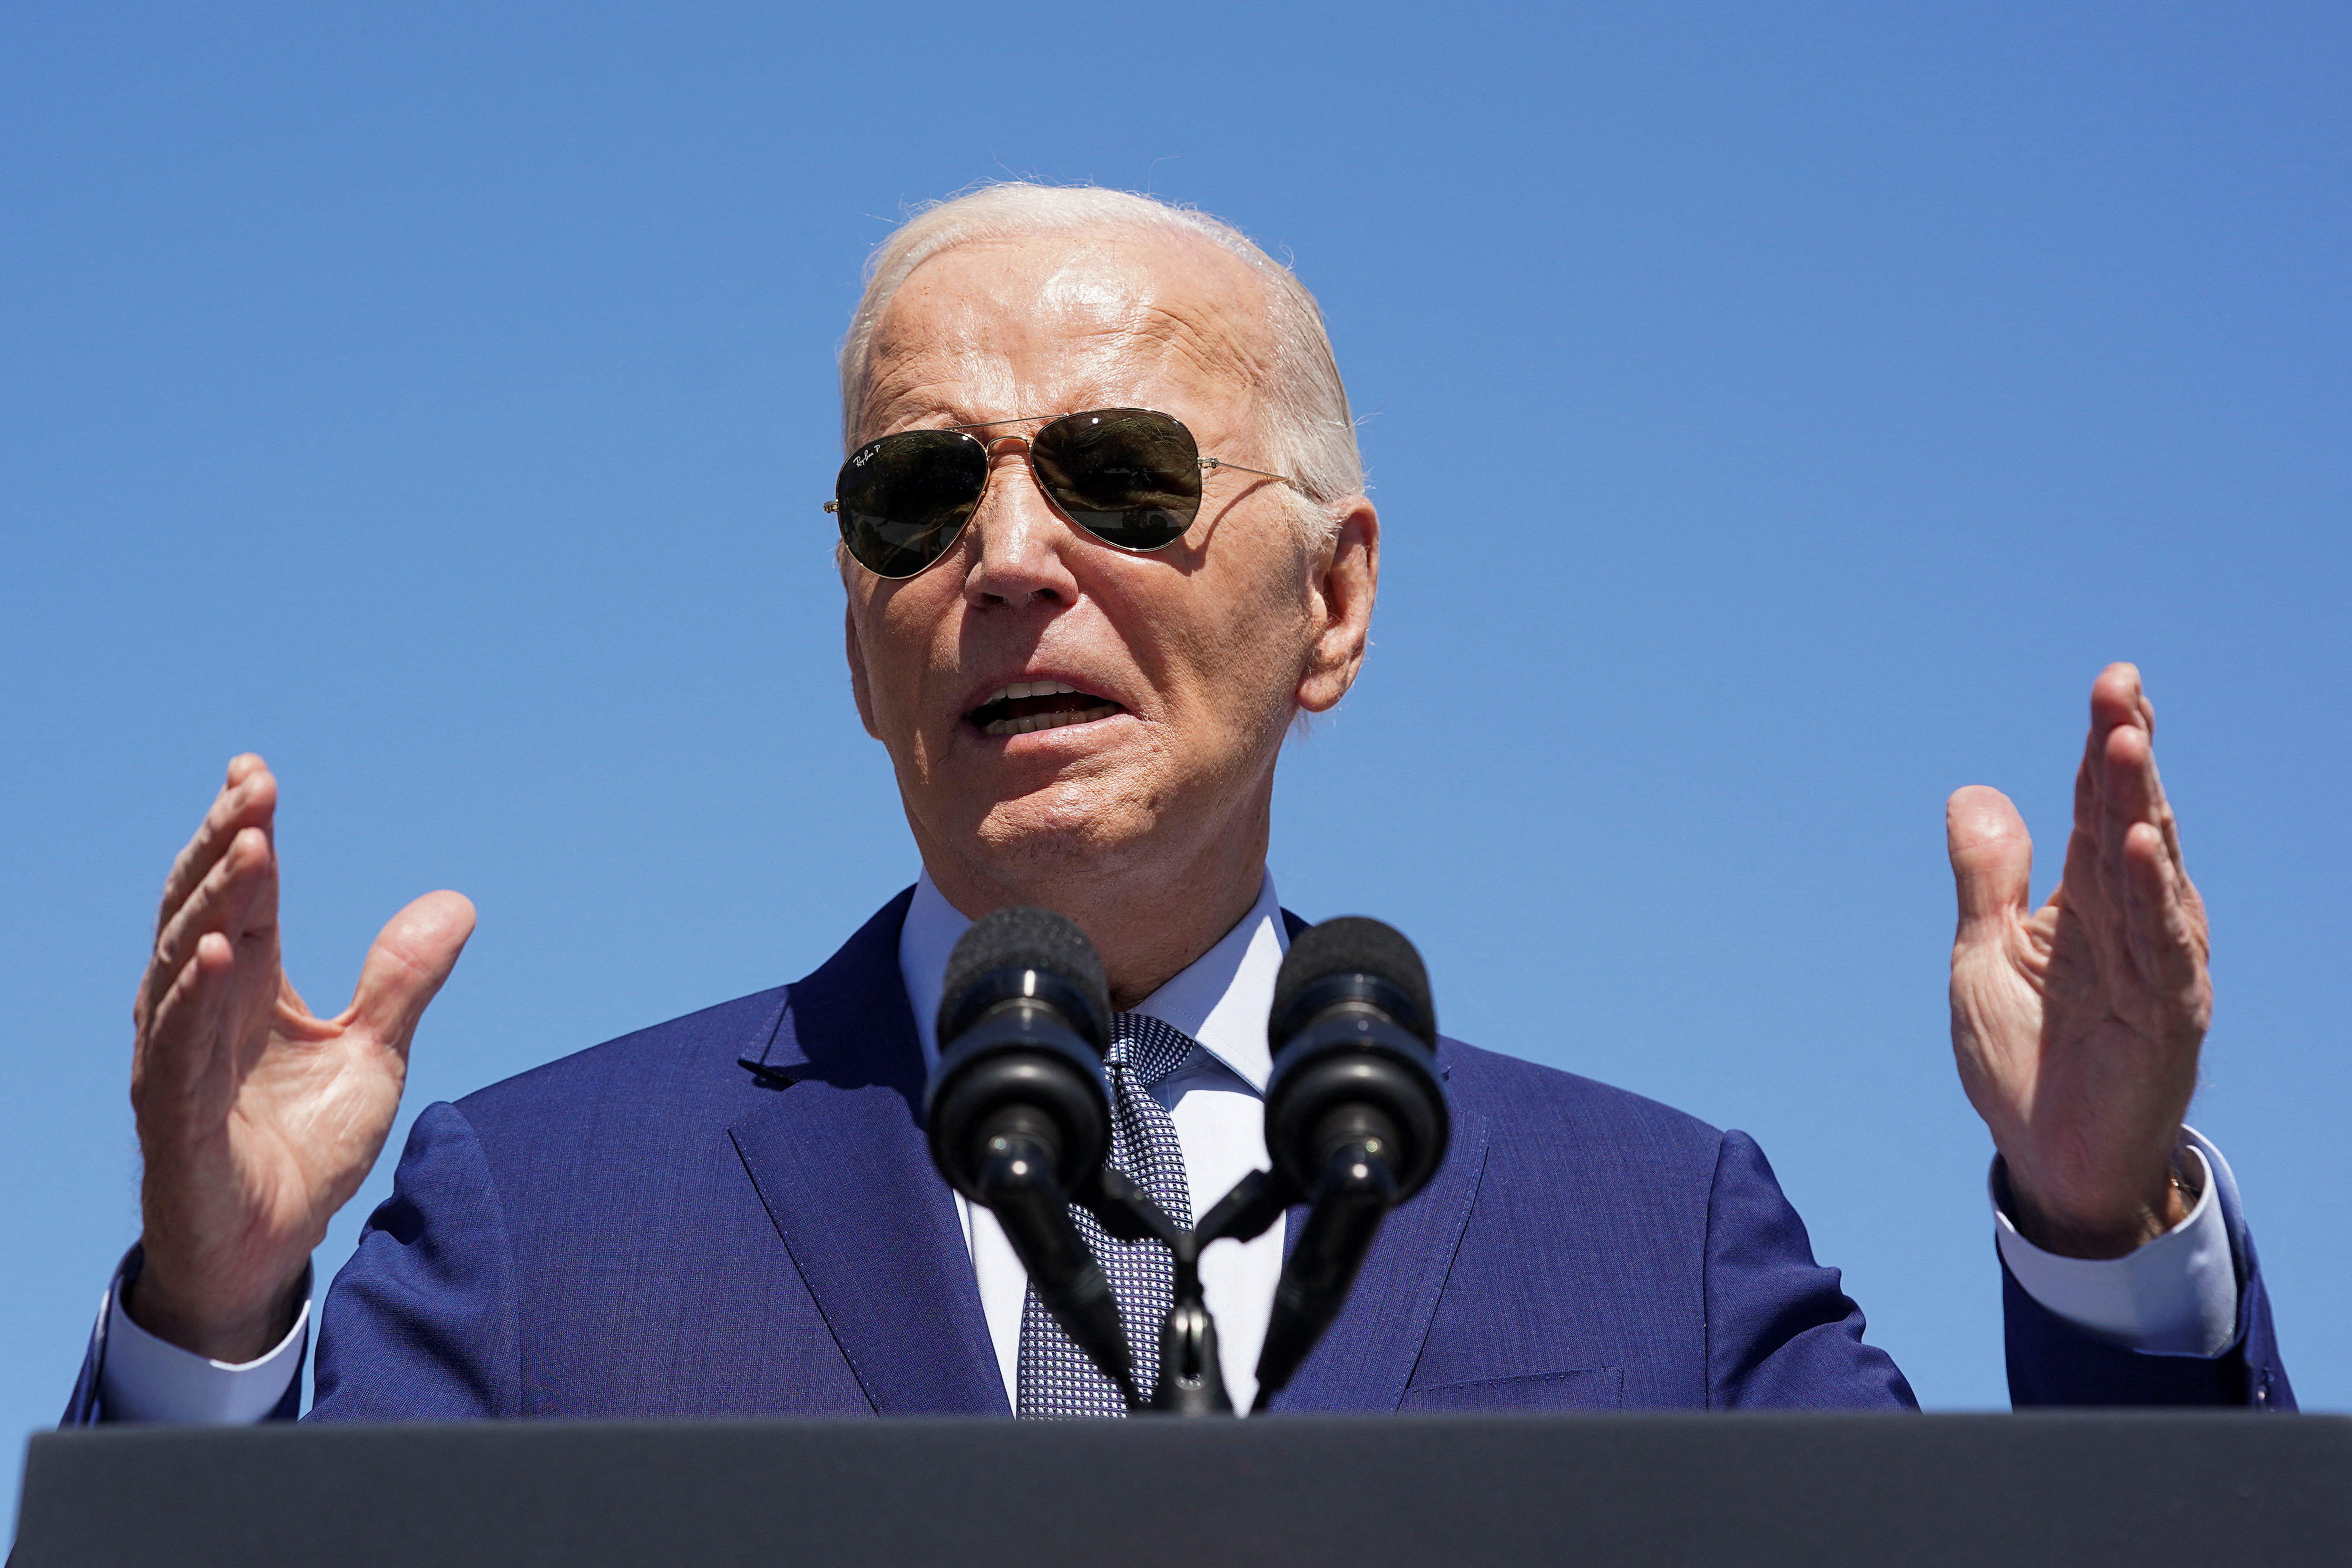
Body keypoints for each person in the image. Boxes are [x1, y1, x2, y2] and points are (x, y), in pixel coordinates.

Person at [65, 186, 2287, 1424]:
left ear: (1334, 603)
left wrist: (2105, 1238)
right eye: (922, 491)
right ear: (856, 623)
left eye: (1121, 476)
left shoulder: (1660, 1235)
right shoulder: (542, 1216)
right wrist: (210, 1314)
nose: (1009, 559)